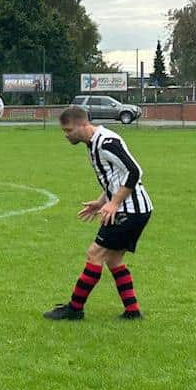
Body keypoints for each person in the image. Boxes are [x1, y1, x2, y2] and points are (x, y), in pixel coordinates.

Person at [44, 106, 153, 321]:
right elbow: (115, 177)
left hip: (129, 211)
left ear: (83, 124)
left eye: (68, 130)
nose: (66, 136)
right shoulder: (92, 143)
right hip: (133, 210)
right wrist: (101, 201)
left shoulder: (106, 143)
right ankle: (132, 311)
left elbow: (134, 171)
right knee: (113, 259)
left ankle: (75, 309)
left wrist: (113, 203)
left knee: (95, 254)